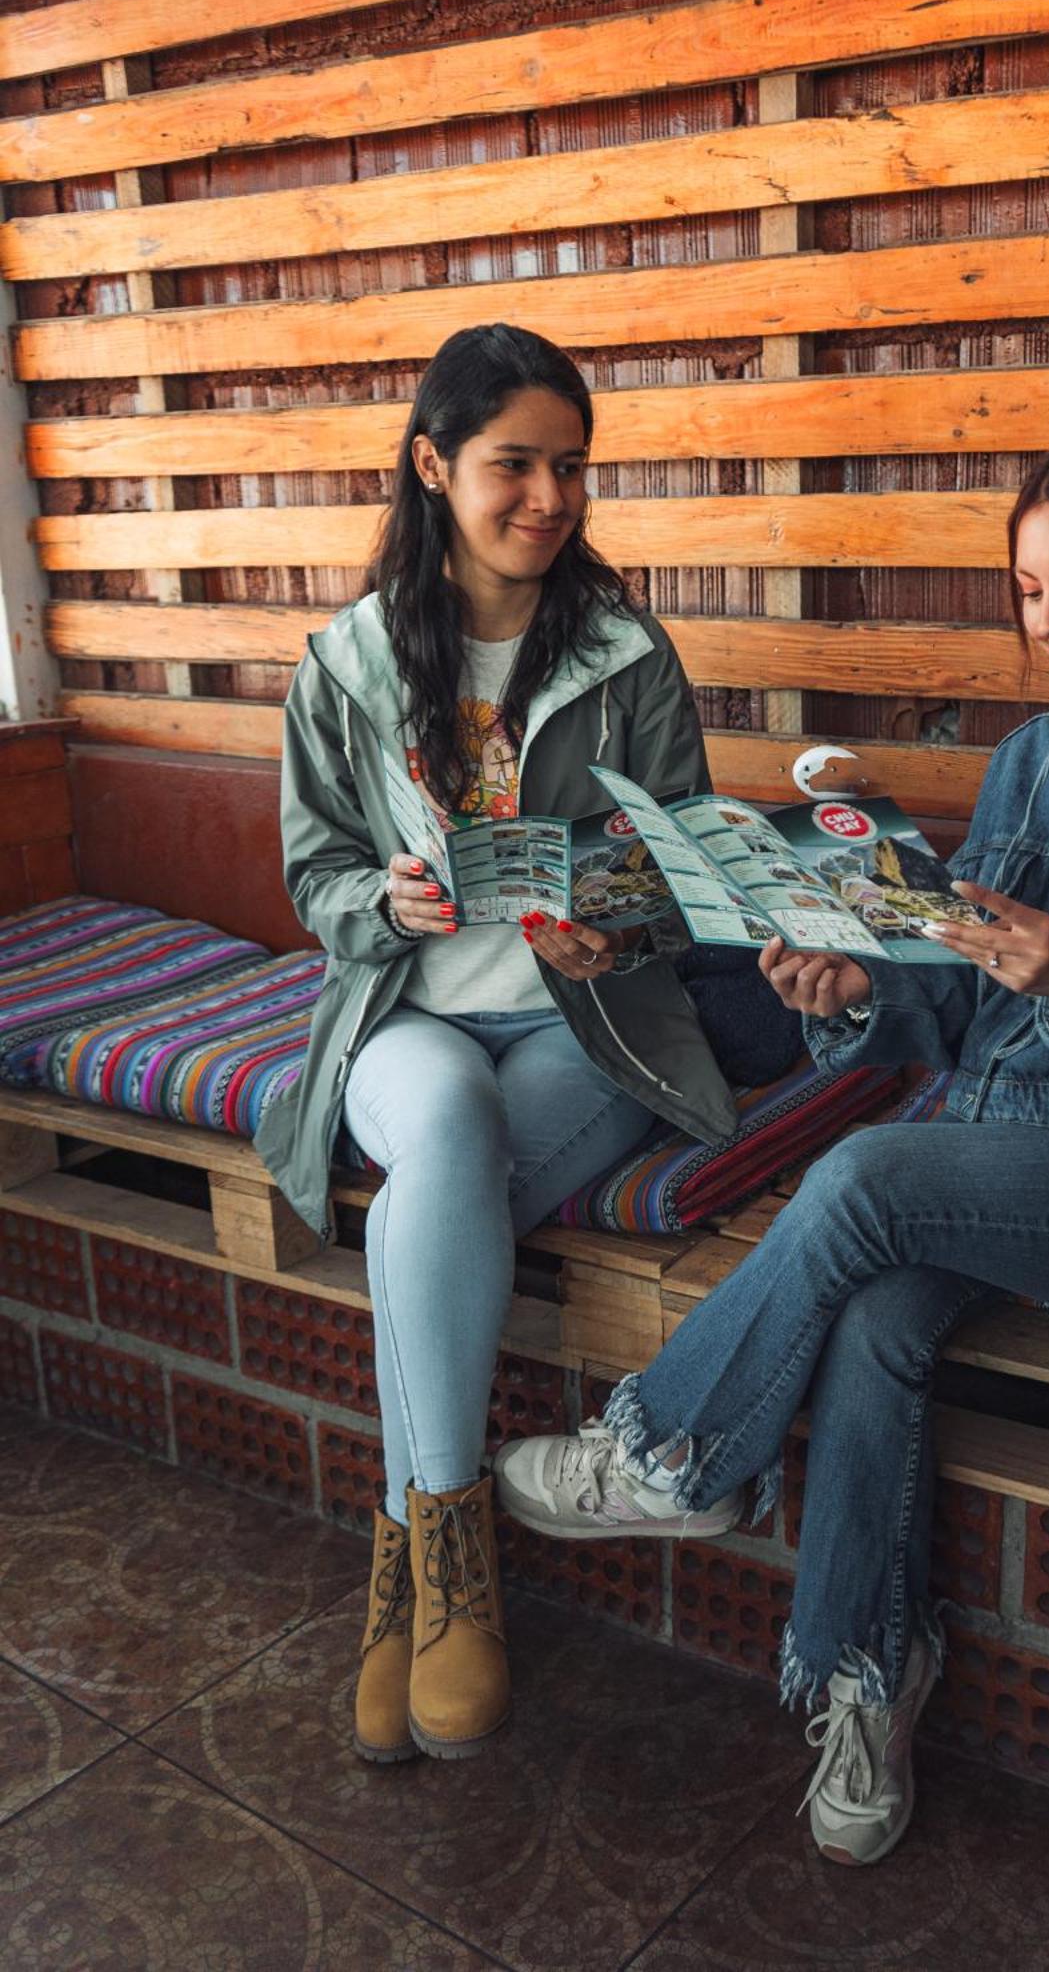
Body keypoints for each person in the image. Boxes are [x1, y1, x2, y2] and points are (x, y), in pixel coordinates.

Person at [492, 421, 1049, 1862]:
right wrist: (853, 992)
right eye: (1029, 594)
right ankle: (864, 1678)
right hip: (1015, 1141)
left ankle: (669, 1453)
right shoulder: (1032, 764)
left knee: (858, 1180)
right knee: (875, 1318)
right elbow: (966, 1001)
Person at [254, 322, 742, 1765]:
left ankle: (407, 1568)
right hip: (406, 1014)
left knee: (436, 1191)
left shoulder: (624, 653)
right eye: (512, 466)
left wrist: (616, 926)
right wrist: (383, 902)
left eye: (570, 469)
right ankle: (452, 1543)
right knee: (443, 1128)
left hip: (583, 1024)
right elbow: (313, 873)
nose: (548, 498)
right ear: (431, 465)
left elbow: (681, 867)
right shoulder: (345, 666)